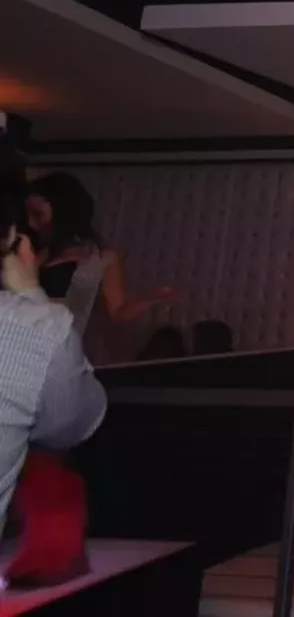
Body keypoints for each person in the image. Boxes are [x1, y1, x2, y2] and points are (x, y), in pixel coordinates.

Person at [1, 196, 108, 582]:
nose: (34, 219)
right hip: (48, 352)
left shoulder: (90, 259)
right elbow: (70, 426)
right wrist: (33, 297)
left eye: (39, 209)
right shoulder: (33, 323)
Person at [26, 172, 176, 353]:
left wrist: (152, 298)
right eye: (27, 215)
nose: (31, 223)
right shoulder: (33, 253)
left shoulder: (101, 259)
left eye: (38, 214)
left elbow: (118, 312)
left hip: (59, 349)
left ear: (62, 212)